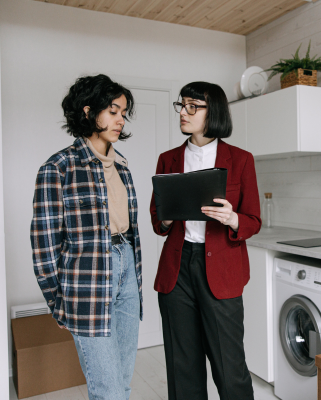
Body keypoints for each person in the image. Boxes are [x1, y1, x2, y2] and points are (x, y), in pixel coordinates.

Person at [30, 74, 143, 400]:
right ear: (87, 111)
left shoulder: (122, 166)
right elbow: (44, 245)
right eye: (112, 110)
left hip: (126, 268)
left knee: (122, 383)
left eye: (123, 112)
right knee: (107, 388)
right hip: (87, 279)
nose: (120, 119)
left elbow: (129, 227)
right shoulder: (58, 167)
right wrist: (58, 303)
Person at [149, 81, 261, 400]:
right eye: (181, 105)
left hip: (222, 269)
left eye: (192, 106)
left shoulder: (240, 159)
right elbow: (158, 219)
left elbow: (253, 220)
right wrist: (168, 215)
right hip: (177, 269)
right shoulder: (168, 159)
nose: (183, 113)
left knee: (230, 369)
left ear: (213, 113)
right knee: (182, 367)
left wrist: (231, 218)